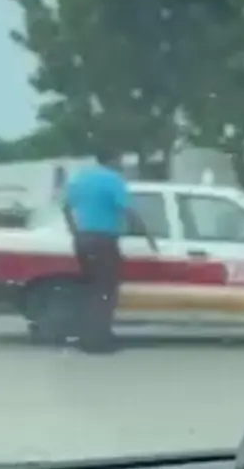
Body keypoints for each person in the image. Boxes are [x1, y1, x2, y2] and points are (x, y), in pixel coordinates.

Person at [62, 150, 157, 354]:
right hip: (103, 240)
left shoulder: (81, 178)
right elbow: (129, 211)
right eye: (120, 159)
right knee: (105, 290)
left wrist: (75, 231)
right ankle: (97, 342)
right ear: (113, 159)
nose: (122, 163)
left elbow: (65, 207)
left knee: (91, 289)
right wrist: (148, 235)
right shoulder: (113, 180)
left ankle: (91, 334)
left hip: (83, 240)